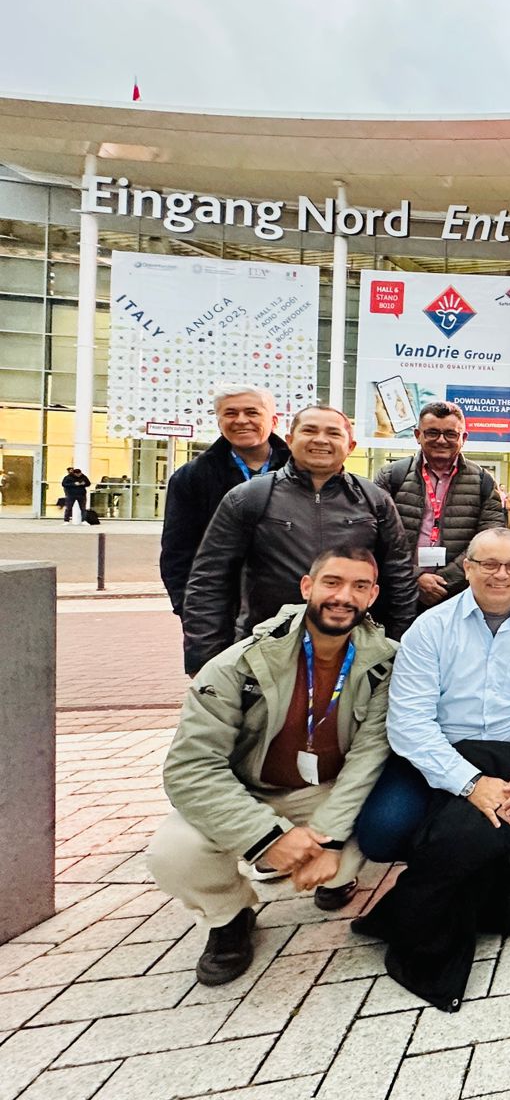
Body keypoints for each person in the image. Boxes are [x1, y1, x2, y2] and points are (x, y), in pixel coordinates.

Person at [147, 548, 395, 984]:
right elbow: (190, 769)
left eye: (359, 586)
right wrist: (266, 838)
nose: (344, 597)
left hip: (326, 791)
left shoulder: (385, 664)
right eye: (332, 582)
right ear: (307, 587)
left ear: (372, 596)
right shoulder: (238, 665)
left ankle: (336, 875)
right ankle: (229, 917)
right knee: (173, 852)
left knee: (386, 823)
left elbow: (368, 758)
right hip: (250, 791)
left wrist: (330, 839)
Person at [356, 528, 510, 864]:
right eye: (489, 564)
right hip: (446, 745)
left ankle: (481, 826)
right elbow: (409, 722)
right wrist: (470, 784)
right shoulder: (429, 629)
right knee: (380, 835)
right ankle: (477, 828)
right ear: (468, 568)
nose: (501, 574)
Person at [181, 405, 418, 676]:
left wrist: (397, 649)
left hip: (352, 651)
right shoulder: (248, 498)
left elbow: (399, 578)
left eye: (333, 433)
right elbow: (209, 581)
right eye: (310, 431)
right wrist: (206, 659)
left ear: (350, 446)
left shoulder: (375, 500)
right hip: (266, 650)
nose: (321, 440)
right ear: (290, 440)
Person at [160, 386, 291, 616]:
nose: (241, 420)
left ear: (274, 421)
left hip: (290, 607)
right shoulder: (192, 477)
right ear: (219, 422)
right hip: (220, 609)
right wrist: (188, 609)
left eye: (252, 412)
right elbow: (177, 552)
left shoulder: (301, 471)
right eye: (230, 413)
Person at [374, 400, 507, 610]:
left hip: (458, 596)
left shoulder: (483, 482)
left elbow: (489, 540)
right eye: (432, 433)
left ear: (463, 438)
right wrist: (416, 576)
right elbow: (377, 535)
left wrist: (444, 582)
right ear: (418, 435)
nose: (441, 440)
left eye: (451, 434)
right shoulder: (391, 476)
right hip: (399, 594)